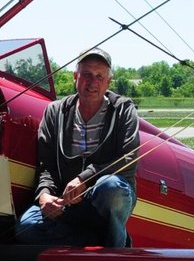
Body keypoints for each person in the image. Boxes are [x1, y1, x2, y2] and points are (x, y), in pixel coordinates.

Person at [15, 48, 139, 247]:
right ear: (75, 77)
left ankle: (116, 250)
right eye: (86, 75)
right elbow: (45, 165)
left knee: (113, 188)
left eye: (100, 76)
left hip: (102, 196)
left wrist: (84, 178)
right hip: (67, 202)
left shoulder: (123, 109)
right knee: (26, 226)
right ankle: (96, 242)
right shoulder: (55, 111)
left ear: (109, 82)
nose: (92, 82)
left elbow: (129, 158)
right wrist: (44, 195)